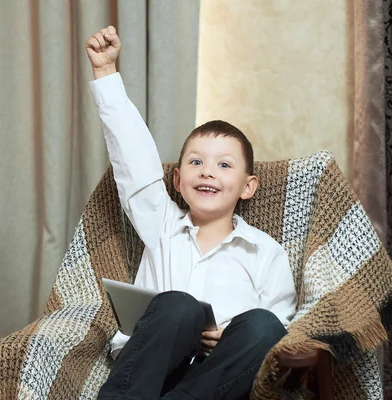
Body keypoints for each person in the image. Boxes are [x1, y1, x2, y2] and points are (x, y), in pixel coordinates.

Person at [86, 25, 297, 400]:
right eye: (197, 162)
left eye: (224, 165)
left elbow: (279, 329)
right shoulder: (161, 224)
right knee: (178, 307)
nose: (208, 171)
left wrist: (226, 336)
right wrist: (106, 73)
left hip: (216, 380)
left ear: (248, 187)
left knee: (263, 326)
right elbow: (133, 160)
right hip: (149, 373)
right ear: (179, 179)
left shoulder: (264, 251)